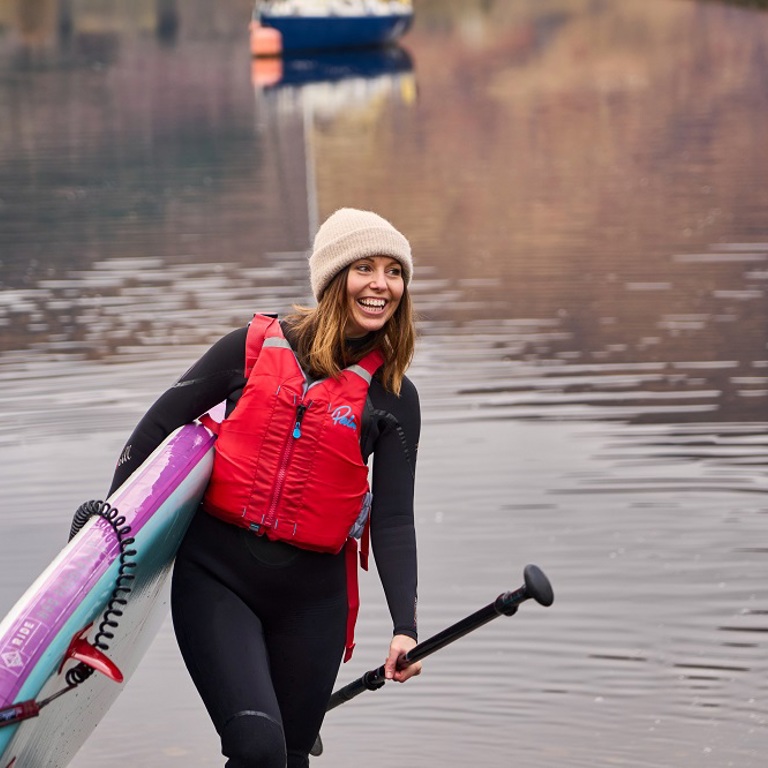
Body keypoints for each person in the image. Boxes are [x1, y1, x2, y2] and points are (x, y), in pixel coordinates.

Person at [107, 208, 422, 767]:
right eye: (365, 268)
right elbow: (154, 431)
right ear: (332, 279)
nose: (381, 285)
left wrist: (404, 627)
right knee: (257, 747)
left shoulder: (394, 397)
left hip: (314, 601)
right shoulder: (251, 348)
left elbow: (394, 519)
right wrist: (108, 535)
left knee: (290, 757)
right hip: (218, 578)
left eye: (394, 272)